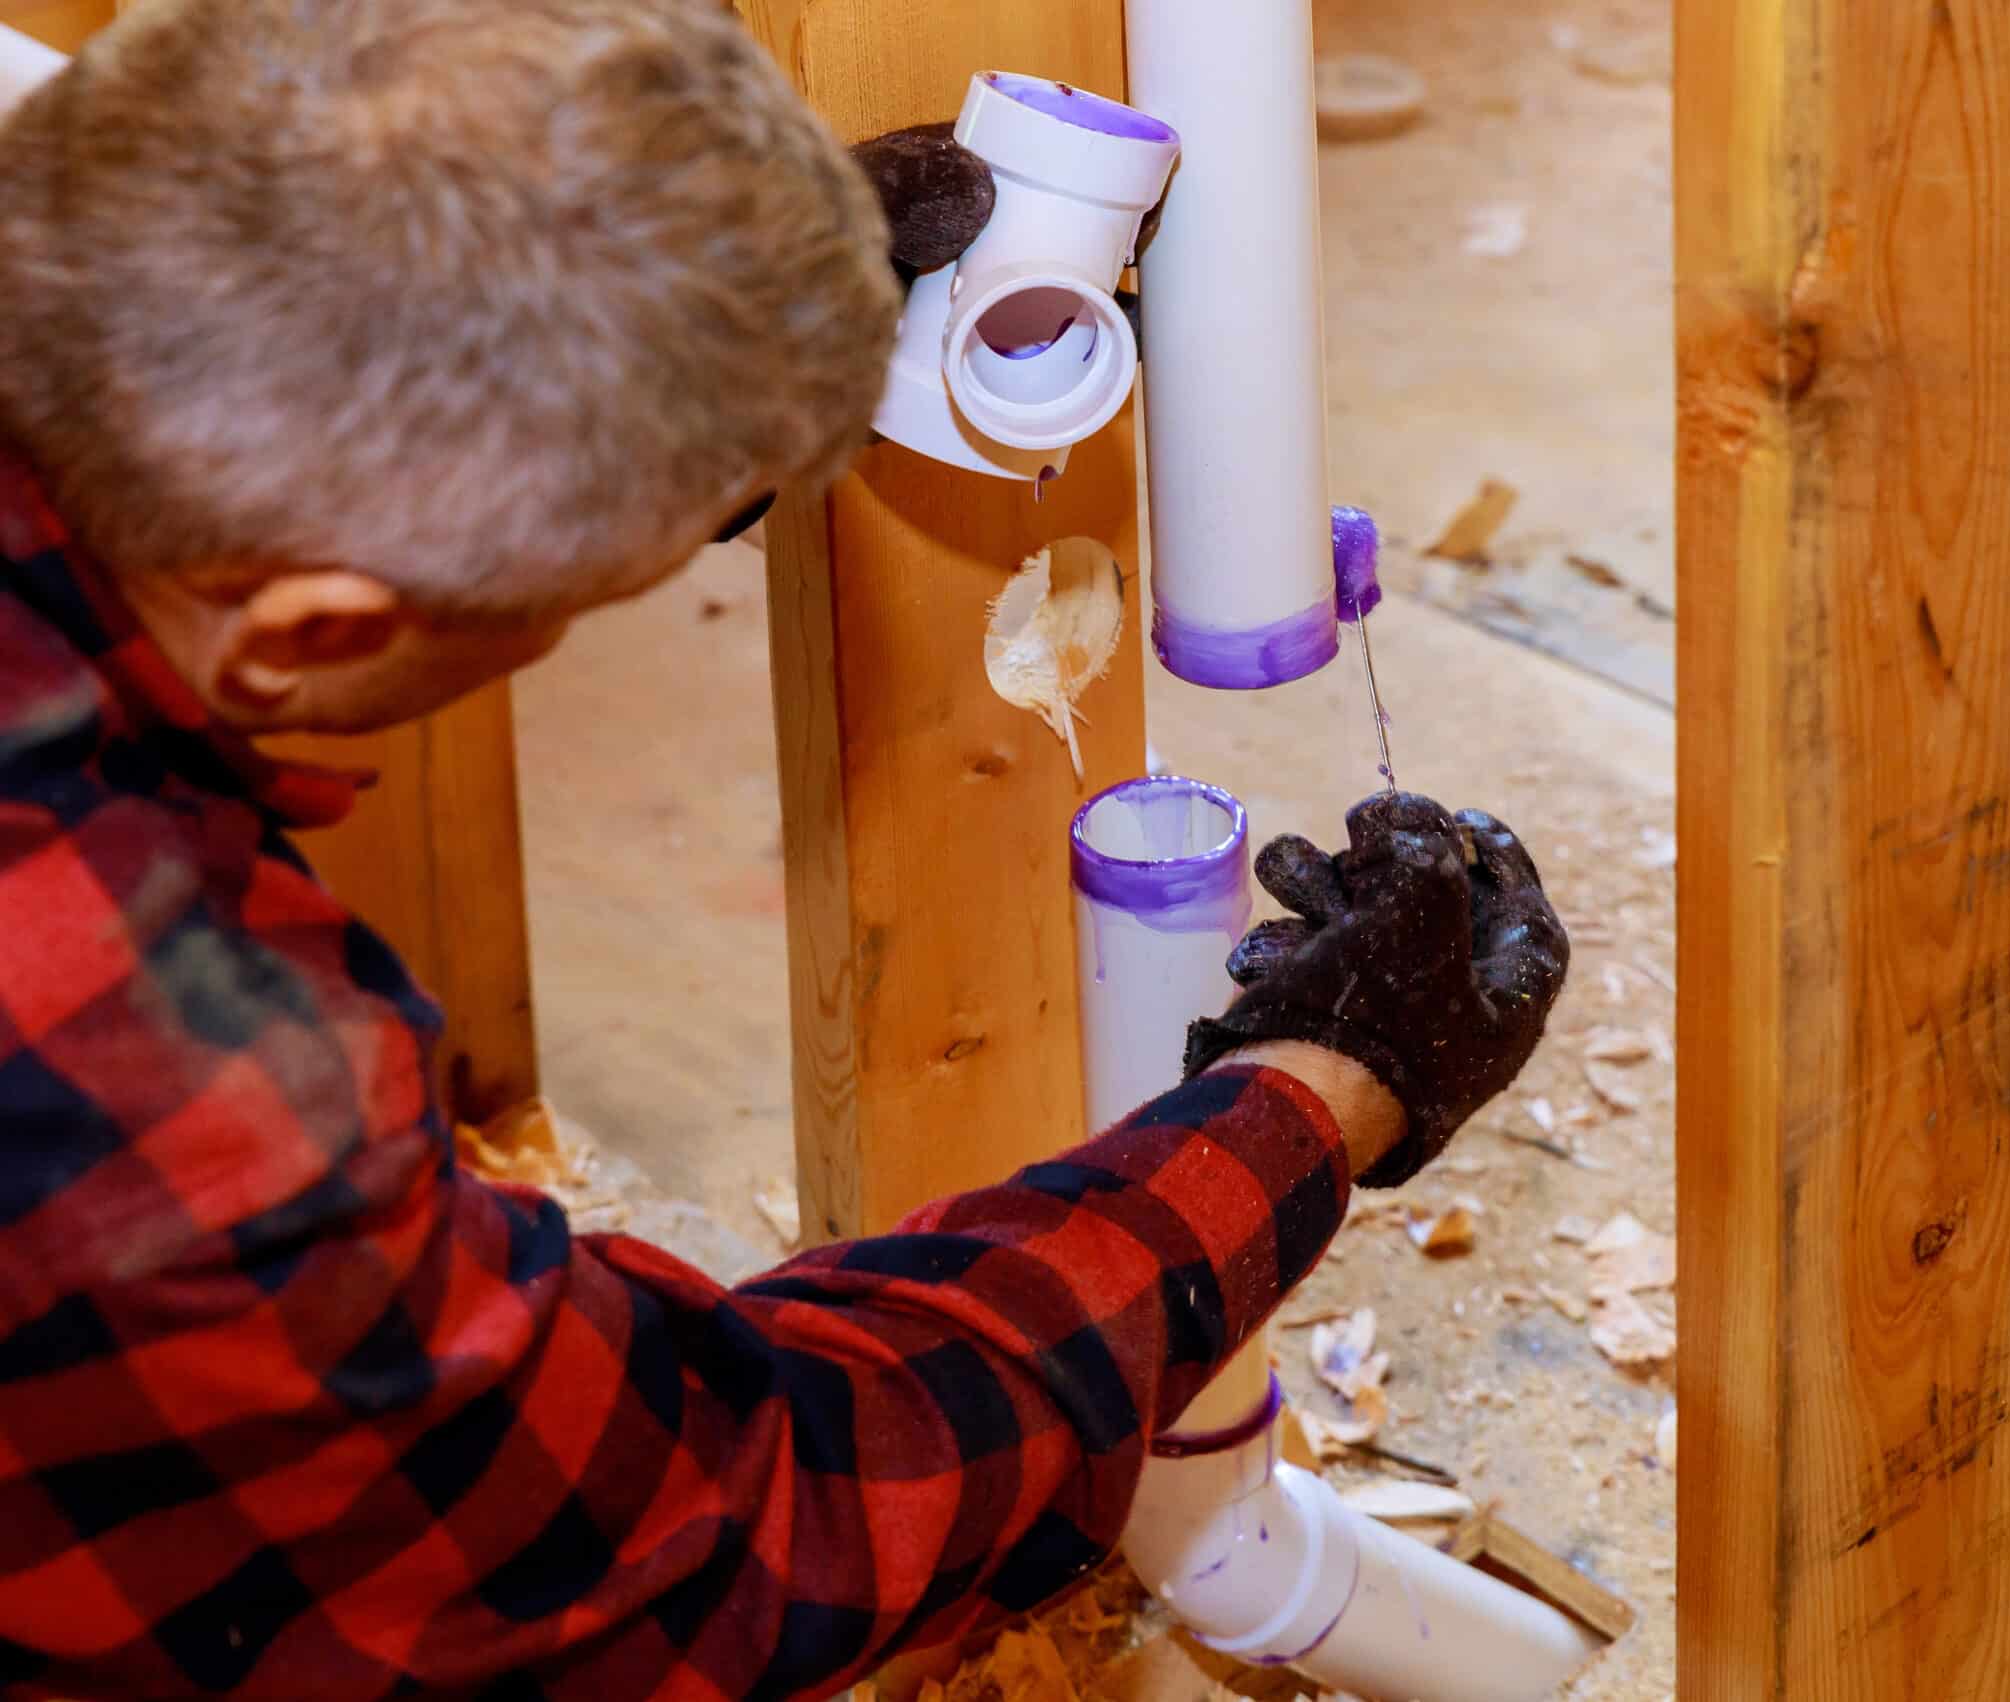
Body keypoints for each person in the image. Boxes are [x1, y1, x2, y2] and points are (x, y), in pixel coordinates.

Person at [0, 1, 1569, 1697]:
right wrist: (1325, 1090)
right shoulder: (159, 1087)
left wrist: (674, 318)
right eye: (577, 599)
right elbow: (733, 1529)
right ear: (310, 632)